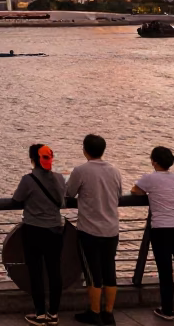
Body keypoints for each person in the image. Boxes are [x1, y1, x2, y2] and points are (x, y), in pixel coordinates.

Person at [64, 134, 123, 326]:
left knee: (93, 274)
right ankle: (109, 313)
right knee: (109, 271)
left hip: (89, 230)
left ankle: (94, 312)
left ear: (85, 150)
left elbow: (69, 193)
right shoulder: (114, 171)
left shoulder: (81, 170)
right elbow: (119, 193)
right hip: (112, 229)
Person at [132, 147, 174, 321]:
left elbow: (135, 190)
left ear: (154, 161)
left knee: (165, 270)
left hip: (162, 229)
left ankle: (167, 310)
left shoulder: (149, 178)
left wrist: (148, 193)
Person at [12, 144, 65, 326]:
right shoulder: (59, 179)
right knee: (54, 270)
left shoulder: (28, 180)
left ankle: (40, 313)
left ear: (33, 159)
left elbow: (16, 199)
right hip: (56, 230)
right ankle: (54, 313)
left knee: (35, 272)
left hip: (33, 230)